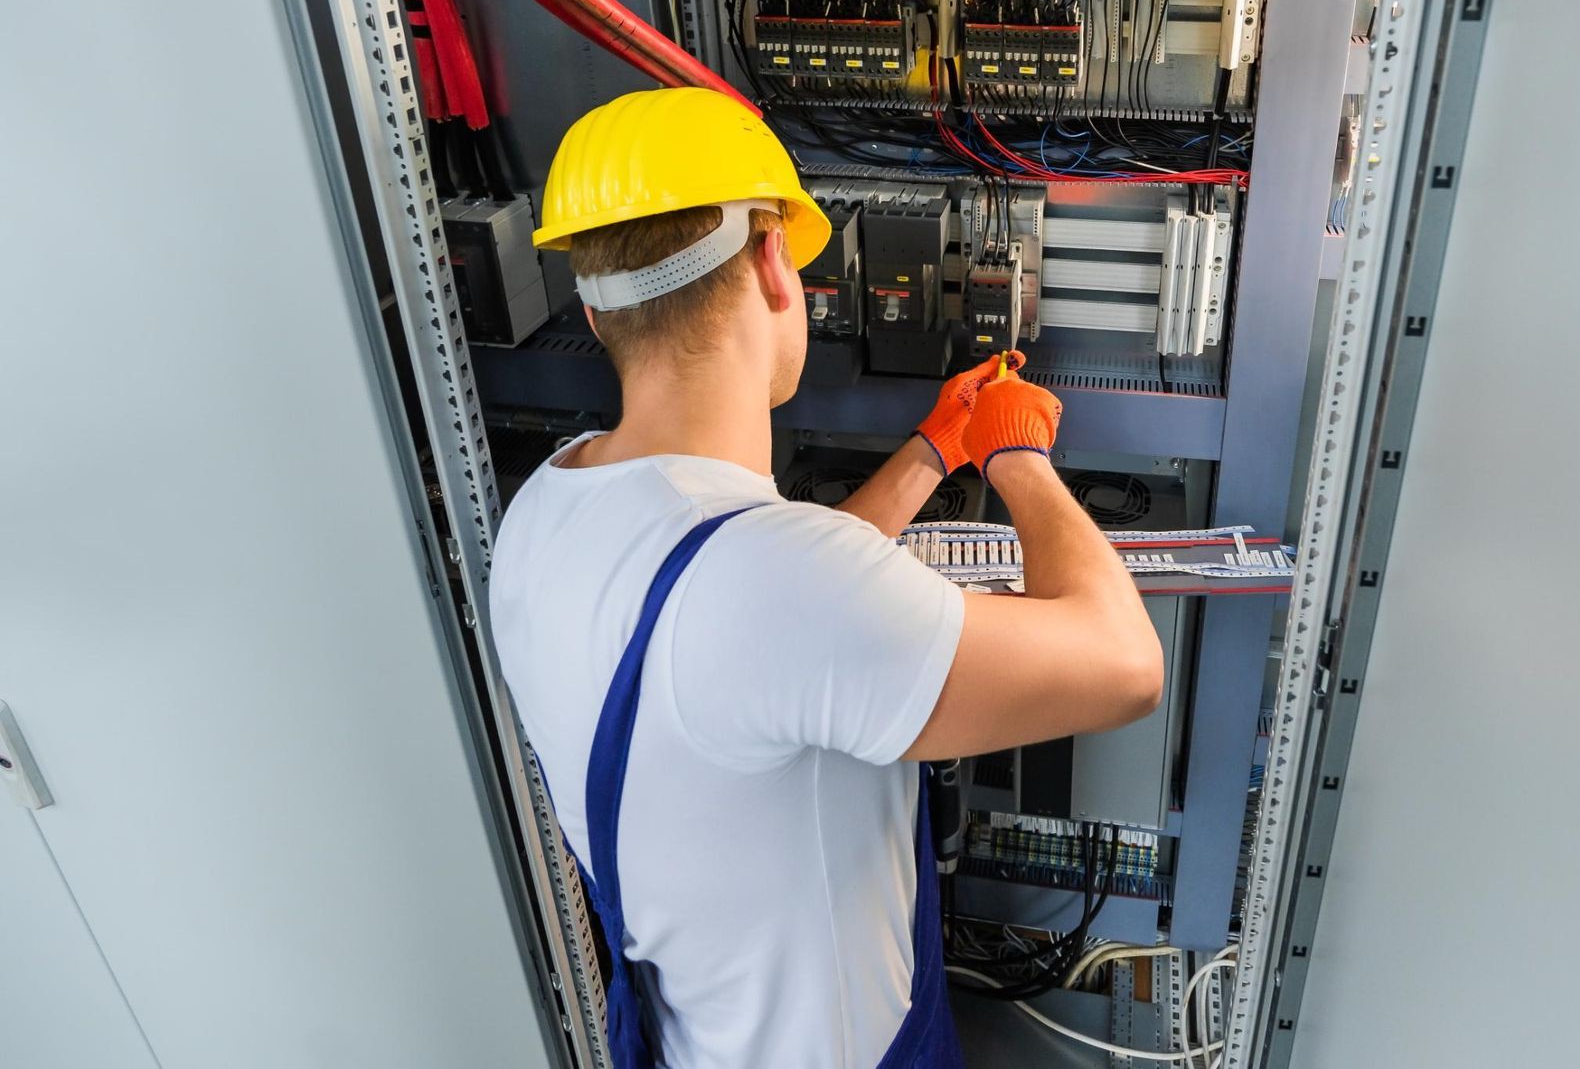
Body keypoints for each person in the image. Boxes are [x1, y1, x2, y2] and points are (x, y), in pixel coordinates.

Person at [490, 88, 1163, 1069]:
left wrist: (937, 449)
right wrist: (1018, 454)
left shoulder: (551, 506)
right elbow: (1125, 664)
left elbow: (753, 620)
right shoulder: (777, 588)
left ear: (595, 311)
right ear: (773, 264)